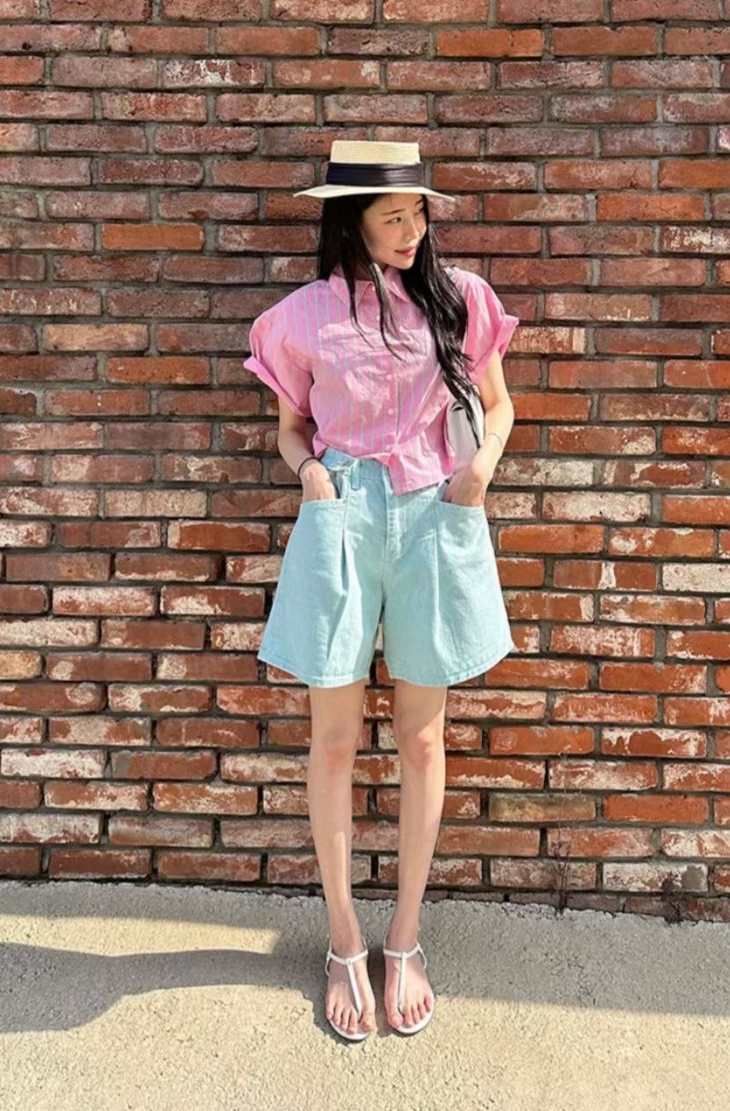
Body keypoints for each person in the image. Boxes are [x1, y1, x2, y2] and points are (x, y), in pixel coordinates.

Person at [243, 139, 520, 1041]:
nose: (414, 230)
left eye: (420, 213)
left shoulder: (459, 298)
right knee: (333, 741)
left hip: (437, 511)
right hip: (344, 516)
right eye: (394, 215)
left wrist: (479, 469)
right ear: (350, 221)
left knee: (422, 735)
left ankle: (404, 938)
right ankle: (342, 938)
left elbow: (500, 403)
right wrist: (311, 476)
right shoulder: (301, 317)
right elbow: (291, 429)